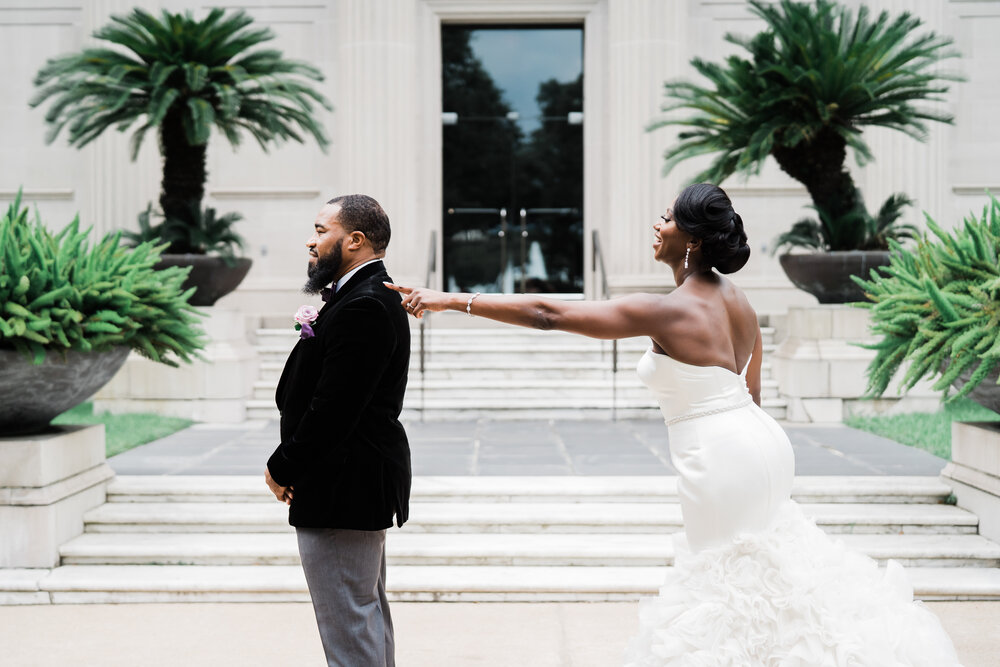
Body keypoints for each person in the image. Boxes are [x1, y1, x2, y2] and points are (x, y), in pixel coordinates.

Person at [385, 183, 961, 666]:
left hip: (720, 458)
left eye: (666, 218)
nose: (656, 225)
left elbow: (548, 313)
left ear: (691, 239)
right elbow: (750, 392)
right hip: (761, 444)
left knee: (726, 587)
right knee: (767, 573)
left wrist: (446, 300)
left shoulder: (671, 309)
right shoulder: (737, 301)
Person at [266, 194, 410, 667]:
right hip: (350, 483)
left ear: (355, 240)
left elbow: (335, 409)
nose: (311, 240)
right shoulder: (360, 295)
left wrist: (282, 466)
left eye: (320, 230)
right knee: (363, 615)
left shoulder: (364, 304)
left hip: (343, 485)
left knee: (350, 624)